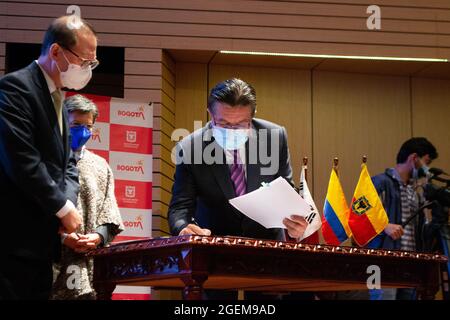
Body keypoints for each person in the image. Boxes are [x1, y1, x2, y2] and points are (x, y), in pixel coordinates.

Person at [168, 78, 308, 299]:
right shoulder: (190, 147)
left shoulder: (274, 136)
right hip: (214, 249)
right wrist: (183, 228)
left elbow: (285, 190)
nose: (232, 130)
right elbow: (179, 208)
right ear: (210, 114)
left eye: (241, 124)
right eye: (223, 124)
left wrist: (294, 223)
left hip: (266, 246)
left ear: (252, 115)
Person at [0, 15, 98, 299]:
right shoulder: (16, 88)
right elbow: (22, 161)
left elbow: (68, 164)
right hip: (13, 242)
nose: (87, 69)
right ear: (56, 52)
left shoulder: (58, 97)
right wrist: (64, 209)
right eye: (84, 61)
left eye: (93, 63)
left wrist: (67, 202)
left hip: (42, 248)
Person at [51, 94, 124, 300]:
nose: (83, 131)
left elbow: (110, 216)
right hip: (48, 261)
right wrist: (63, 237)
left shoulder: (101, 166)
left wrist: (98, 237)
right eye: (75, 124)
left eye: (89, 126)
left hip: (88, 266)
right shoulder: (43, 161)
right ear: (62, 122)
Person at [370, 137, 438, 300]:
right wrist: (384, 225)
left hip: (411, 267)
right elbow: (358, 214)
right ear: (414, 158)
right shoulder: (380, 182)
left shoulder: (415, 192)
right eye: (426, 162)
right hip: (382, 264)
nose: (427, 168)